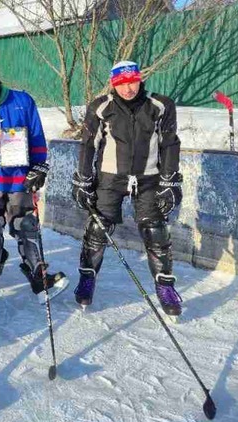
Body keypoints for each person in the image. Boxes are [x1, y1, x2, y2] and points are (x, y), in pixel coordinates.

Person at [72, 61, 184, 318]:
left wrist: (170, 181)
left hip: (148, 178)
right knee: (98, 228)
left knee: (156, 230)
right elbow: (89, 144)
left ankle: (165, 285)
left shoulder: (160, 105)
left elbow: (169, 144)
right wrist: (84, 179)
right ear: (113, 83)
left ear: (139, 79)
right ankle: (87, 278)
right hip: (111, 177)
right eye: (121, 83)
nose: (128, 88)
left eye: (132, 81)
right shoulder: (101, 107)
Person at [0, 68, 68, 301]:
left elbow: (36, 134)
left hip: (19, 176)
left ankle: (37, 273)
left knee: (26, 223)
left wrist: (40, 166)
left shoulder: (22, 99)